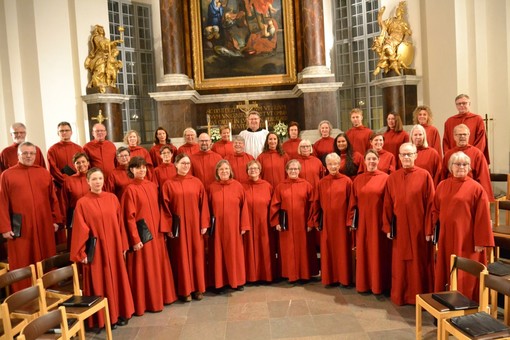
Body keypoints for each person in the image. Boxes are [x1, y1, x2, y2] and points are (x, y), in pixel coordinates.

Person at [70, 167, 134, 328]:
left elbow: (120, 224)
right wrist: (81, 252)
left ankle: (120, 312)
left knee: (118, 278)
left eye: (100, 179)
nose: (97, 182)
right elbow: (79, 229)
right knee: (101, 280)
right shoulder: (82, 203)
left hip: (113, 247)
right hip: (96, 250)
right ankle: (104, 318)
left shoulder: (112, 198)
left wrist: (123, 245)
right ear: (88, 182)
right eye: (94, 179)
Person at [0, 142, 62, 291]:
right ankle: (25, 294)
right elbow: (2, 202)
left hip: (43, 223)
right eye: (25, 153)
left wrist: (56, 220)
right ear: (18, 155)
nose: (28, 156)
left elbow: (53, 199)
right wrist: (5, 227)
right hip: (21, 227)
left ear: (36, 155)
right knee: (23, 259)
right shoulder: (7, 175)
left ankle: (49, 289)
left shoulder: (43, 173)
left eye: (31, 153)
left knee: (46, 257)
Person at [433, 151, 494, 301]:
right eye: (457, 164)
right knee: (446, 268)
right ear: (450, 167)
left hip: (467, 239)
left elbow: (483, 217)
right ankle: (445, 301)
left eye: (465, 164)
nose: (461, 167)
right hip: (446, 237)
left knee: (466, 273)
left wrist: (481, 241)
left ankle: (467, 303)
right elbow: (435, 209)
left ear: (469, 167)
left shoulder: (476, 188)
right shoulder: (442, 185)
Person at [121, 157, 177, 315]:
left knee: (159, 266)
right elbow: (128, 217)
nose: (141, 170)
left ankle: (162, 297)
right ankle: (146, 303)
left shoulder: (152, 186)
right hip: (142, 237)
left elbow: (160, 210)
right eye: (137, 168)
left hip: (157, 235)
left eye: (144, 167)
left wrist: (163, 231)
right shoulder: (129, 189)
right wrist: (135, 239)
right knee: (144, 269)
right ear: (131, 170)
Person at [383, 143, 435, 305]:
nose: (406, 157)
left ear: (415, 156)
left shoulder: (425, 175)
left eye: (409, 154)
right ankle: (401, 295)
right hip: (400, 228)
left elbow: (431, 205)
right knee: (400, 264)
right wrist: (387, 227)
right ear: (398, 157)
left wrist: (429, 229)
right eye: (403, 154)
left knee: (419, 263)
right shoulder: (392, 178)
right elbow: (387, 204)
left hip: (419, 228)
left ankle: (419, 296)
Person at [161, 154, 210, 301]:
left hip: (195, 225)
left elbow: (204, 205)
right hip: (178, 228)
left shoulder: (197, 182)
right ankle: (185, 290)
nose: (186, 165)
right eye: (183, 163)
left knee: (197, 256)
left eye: (188, 163)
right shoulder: (168, 184)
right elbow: (165, 207)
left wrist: (204, 224)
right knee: (181, 257)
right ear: (175, 164)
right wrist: (168, 227)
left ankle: (198, 288)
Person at [350, 149, 391, 294]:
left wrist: (387, 223)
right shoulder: (358, 180)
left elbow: (389, 202)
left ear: (378, 161)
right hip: (363, 224)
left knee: (379, 253)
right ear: (364, 161)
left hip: (379, 223)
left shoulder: (386, 178)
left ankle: (380, 285)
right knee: (364, 253)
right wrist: (351, 222)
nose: (372, 162)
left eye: (374, 159)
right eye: (369, 159)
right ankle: (364, 284)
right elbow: (353, 202)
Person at [270, 159, 318, 282]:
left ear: (299, 170)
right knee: (288, 249)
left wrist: (311, 222)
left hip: (302, 224)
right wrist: (276, 222)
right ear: (286, 170)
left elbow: (313, 205)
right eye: (290, 169)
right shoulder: (280, 186)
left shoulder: (307, 185)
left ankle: (304, 274)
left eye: (295, 169)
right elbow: (275, 205)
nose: (293, 171)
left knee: (303, 248)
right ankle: (290, 274)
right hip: (287, 225)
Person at [208, 160, 250, 291]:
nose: (224, 171)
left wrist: (244, 225)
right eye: (221, 169)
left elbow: (244, 207)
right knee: (218, 253)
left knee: (235, 253)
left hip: (234, 226)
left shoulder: (238, 186)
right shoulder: (211, 187)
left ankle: (237, 281)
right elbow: (207, 208)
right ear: (217, 172)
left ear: (230, 171)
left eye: (226, 169)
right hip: (218, 228)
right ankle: (220, 282)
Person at [317, 153, 354, 286]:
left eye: (335, 164)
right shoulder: (321, 183)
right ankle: (330, 278)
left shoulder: (347, 181)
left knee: (342, 250)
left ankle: (343, 278)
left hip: (342, 222)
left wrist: (349, 221)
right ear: (326, 166)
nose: (333, 166)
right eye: (330, 164)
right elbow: (317, 203)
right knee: (328, 250)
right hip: (327, 222)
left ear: (340, 165)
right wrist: (316, 221)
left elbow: (352, 203)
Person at [242, 160, 274, 283]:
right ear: (247, 171)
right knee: (248, 249)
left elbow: (272, 205)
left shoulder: (267, 186)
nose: (253, 170)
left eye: (255, 168)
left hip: (264, 223)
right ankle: (250, 276)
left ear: (260, 171)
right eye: (250, 169)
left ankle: (266, 275)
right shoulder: (242, 186)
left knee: (264, 248)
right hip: (248, 222)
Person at [442, 124, 493, 200]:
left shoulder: (477, 154)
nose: (462, 137)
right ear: (454, 136)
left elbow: (483, 177)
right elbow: (443, 175)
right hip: (451, 192)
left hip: (470, 193)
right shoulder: (448, 154)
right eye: (459, 134)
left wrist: (485, 199)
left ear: (469, 135)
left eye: (464, 134)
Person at [443, 94, 489, 163]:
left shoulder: (477, 119)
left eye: (464, 103)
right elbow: (446, 142)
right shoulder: (449, 121)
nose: (461, 105)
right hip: (454, 160)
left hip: (472, 159)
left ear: (469, 104)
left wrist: (473, 156)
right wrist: (450, 156)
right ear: (456, 106)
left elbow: (481, 141)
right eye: (459, 104)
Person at [61, 152, 90, 248]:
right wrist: (64, 220)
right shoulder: (68, 180)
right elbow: (64, 201)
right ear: (74, 165)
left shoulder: (94, 177)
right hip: (75, 216)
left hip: (92, 214)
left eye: (83, 162)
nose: (81, 165)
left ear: (88, 163)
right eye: (78, 163)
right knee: (77, 245)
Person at [47, 122, 84, 190]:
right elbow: (53, 169)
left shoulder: (79, 148)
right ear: (58, 133)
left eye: (67, 130)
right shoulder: (52, 150)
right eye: (61, 131)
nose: (64, 132)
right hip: (60, 185)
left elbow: (84, 166)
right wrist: (65, 181)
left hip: (78, 184)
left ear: (71, 132)